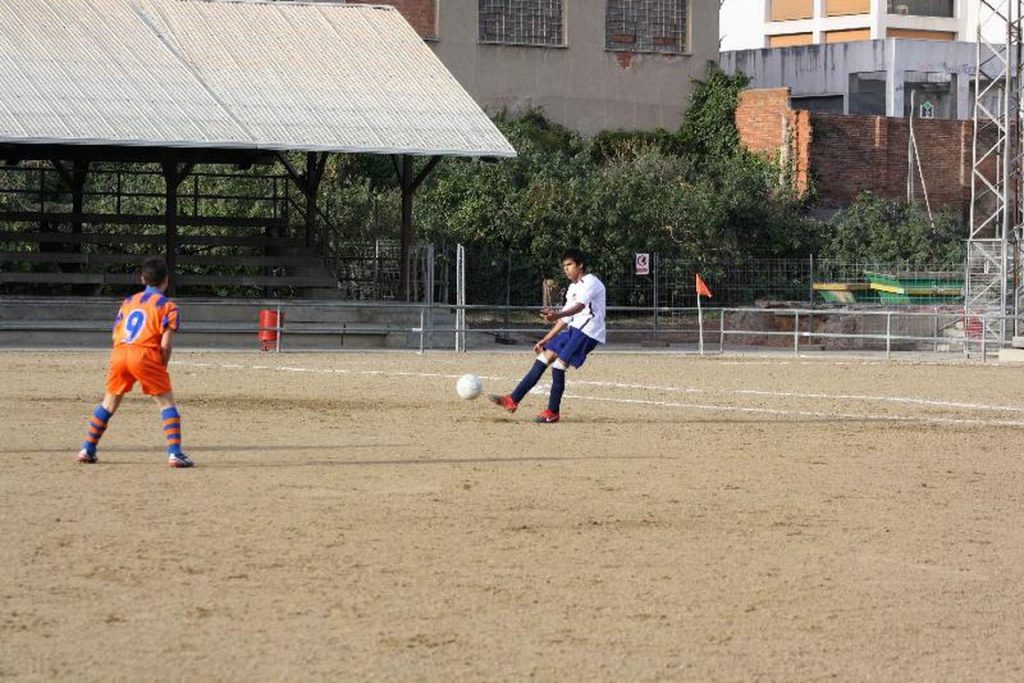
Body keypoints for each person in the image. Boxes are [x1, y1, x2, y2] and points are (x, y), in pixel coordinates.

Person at [76, 257, 194, 468]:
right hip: (145, 355)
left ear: (142, 279)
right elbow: (166, 344)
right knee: (166, 403)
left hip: (120, 352)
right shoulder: (168, 306)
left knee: (109, 403)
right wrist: (161, 364)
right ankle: (175, 453)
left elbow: (115, 333)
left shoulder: (129, 302)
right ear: (166, 280)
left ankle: (88, 448)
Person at [489, 249, 606, 423]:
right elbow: (566, 317)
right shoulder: (573, 288)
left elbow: (580, 307)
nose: (566, 269)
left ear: (580, 265)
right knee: (544, 357)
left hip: (588, 332)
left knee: (558, 366)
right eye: (564, 266)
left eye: (569, 265)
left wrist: (556, 316)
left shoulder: (591, 282)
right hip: (575, 329)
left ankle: (553, 412)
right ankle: (512, 399)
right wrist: (547, 338)